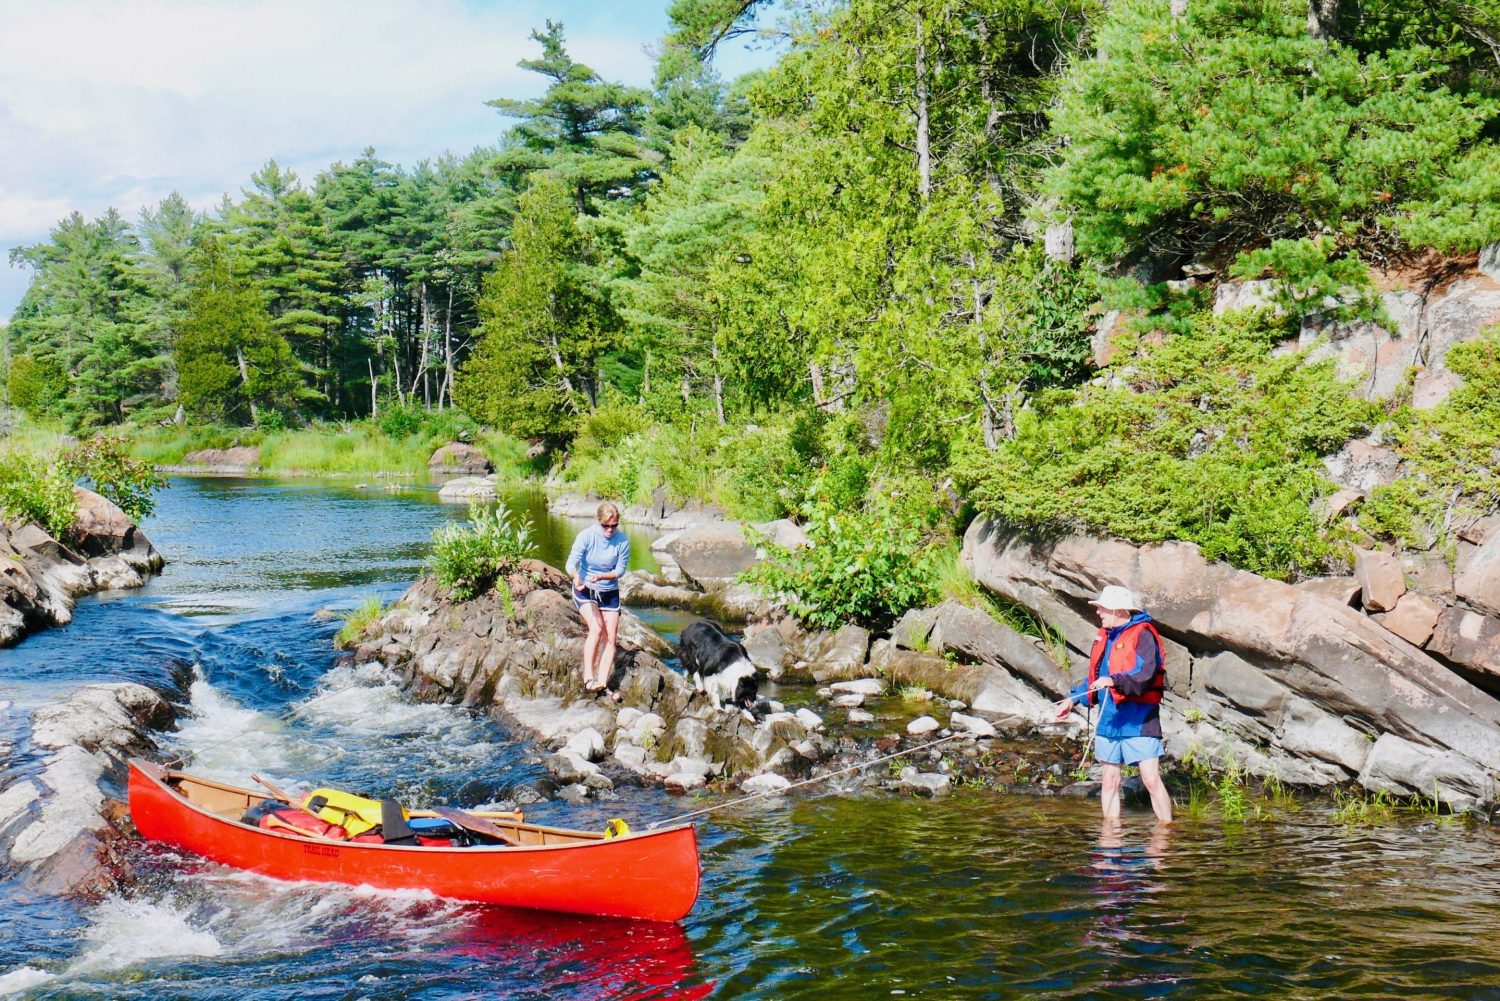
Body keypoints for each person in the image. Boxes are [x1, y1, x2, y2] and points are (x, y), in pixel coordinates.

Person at [1054, 584, 1173, 824]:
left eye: (1102, 608)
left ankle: (1166, 834)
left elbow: (1145, 674)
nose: (1098, 612)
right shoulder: (1105, 636)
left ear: (1119, 611)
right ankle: (1110, 838)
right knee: (1109, 780)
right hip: (1108, 720)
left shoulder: (1143, 635)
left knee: (1150, 778)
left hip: (1139, 720)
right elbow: (1095, 680)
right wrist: (1072, 699)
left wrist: (1114, 681)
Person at [566, 502, 630, 700]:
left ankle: (602, 682)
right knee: (596, 627)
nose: (610, 530)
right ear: (599, 522)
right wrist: (577, 577)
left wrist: (603, 577)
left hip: (609, 590)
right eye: (606, 526)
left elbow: (620, 570)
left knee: (611, 636)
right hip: (586, 589)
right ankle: (588, 678)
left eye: (614, 525)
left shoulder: (622, 540)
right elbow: (571, 563)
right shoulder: (587, 536)